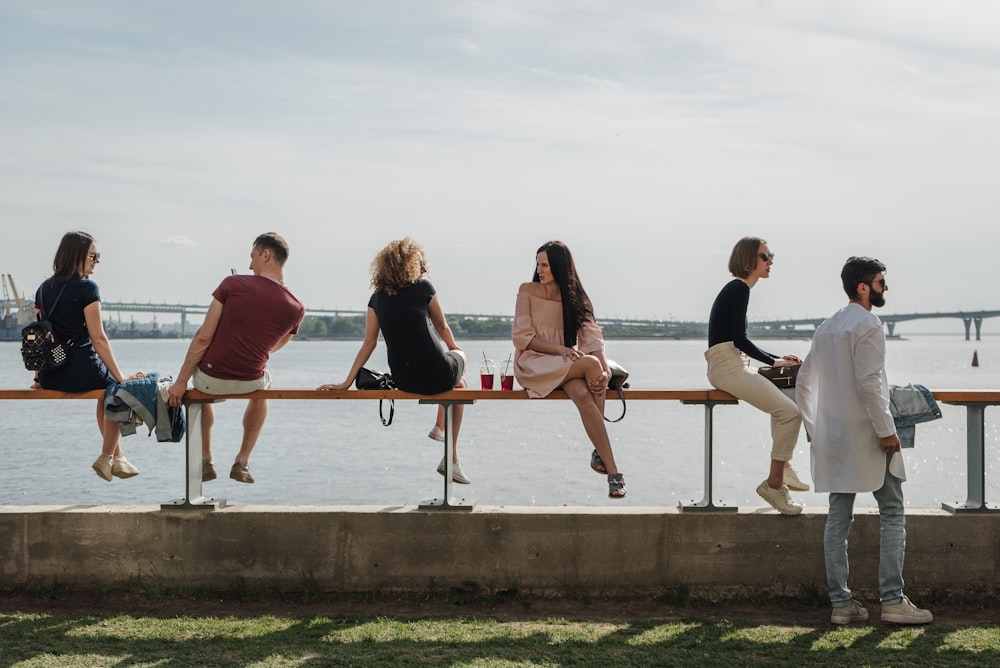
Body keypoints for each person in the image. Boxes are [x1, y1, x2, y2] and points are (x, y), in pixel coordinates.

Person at [796, 256, 933, 625]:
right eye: (880, 281)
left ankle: (841, 605)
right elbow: (870, 382)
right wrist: (887, 431)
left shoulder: (827, 327)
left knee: (838, 519)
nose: (885, 287)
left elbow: (803, 382)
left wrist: (813, 428)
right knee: (892, 511)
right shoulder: (868, 323)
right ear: (863, 287)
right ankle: (892, 601)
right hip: (870, 436)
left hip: (835, 438)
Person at [317, 238, 471, 483]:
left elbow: (369, 343)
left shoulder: (376, 299)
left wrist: (347, 382)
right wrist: (456, 351)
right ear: (411, 264)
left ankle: (443, 437)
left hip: (404, 380)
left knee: (458, 385)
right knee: (460, 372)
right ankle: (447, 450)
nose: (425, 268)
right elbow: (442, 326)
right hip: (438, 374)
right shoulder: (423, 287)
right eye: (421, 262)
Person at [167, 233, 305, 484]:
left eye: (252, 257)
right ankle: (242, 461)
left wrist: (180, 382)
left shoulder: (232, 284)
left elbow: (202, 338)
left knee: (200, 391)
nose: (250, 266)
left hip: (210, 379)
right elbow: (275, 346)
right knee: (266, 385)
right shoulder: (296, 307)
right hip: (251, 382)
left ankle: (207, 458)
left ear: (266, 255)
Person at [512, 240, 625, 498]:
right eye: (538, 264)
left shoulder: (575, 297)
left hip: (565, 365)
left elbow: (593, 339)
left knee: (588, 390)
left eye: (546, 265)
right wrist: (562, 351)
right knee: (592, 364)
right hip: (534, 362)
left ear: (560, 268)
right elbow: (521, 337)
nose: (540, 270)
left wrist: (605, 371)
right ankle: (614, 468)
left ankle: (603, 461)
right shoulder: (527, 290)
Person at [33, 231, 146, 481]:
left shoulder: (42, 289)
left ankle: (118, 458)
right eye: (93, 255)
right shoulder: (87, 288)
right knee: (116, 390)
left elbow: (40, 338)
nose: (97, 260)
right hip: (82, 372)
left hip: (52, 376)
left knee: (106, 394)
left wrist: (39, 376)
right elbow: (98, 338)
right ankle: (108, 457)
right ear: (77, 256)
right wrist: (121, 377)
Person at [706, 236, 806, 515]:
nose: (771, 261)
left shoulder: (738, 289)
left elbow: (738, 340)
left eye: (771, 255)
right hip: (727, 367)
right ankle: (774, 484)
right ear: (749, 259)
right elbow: (739, 338)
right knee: (791, 413)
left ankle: (783, 469)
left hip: (730, 364)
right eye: (765, 256)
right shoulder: (739, 288)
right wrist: (774, 361)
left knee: (782, 406)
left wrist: (776, 360)